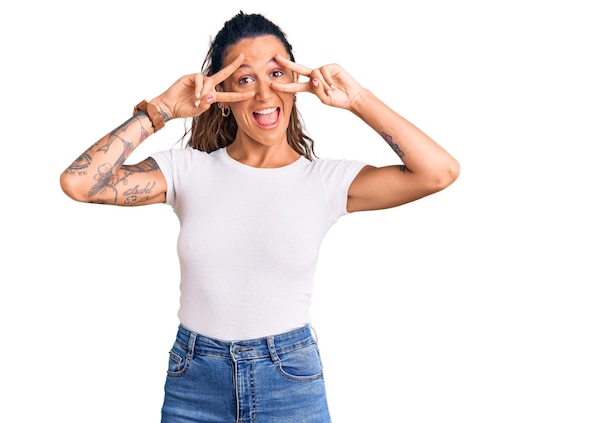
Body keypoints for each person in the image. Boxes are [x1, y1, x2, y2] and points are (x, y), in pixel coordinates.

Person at [60, 11, 460, 423]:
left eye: (276, 73)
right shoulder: (188, 171)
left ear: (295, 83)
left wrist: (357, 99)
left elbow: (438, 172)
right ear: (223, 95)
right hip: (195, 381)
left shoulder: (325, 181)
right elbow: (80, 183)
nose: (265, 94)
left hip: (288, 379)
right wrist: (159, 110)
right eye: (245, 79)